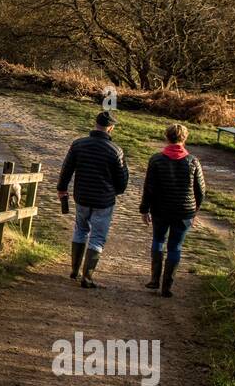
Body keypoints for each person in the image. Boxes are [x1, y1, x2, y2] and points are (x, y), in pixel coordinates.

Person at [57, 111, 129, 288]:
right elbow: (122, 180)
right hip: (104, 200)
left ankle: (74, 269)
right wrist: (114, 192)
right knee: (97, 237)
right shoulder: (116, 151)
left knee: (80, 230)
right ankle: (87, 276)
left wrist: (62, 188)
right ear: (110, 128)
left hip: (82, 196)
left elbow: (67, 169)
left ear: (95, 124)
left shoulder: (78, 145)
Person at [139, 123, 205, 297]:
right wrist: (195, 210)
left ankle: (154, 279)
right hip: (184, 211)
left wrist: (144, 209)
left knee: (158, 241)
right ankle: (167, 286)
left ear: (166, 137)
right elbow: (200, 190)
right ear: (184, 138)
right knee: (175, 246)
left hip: (160, 209)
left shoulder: (156, 160)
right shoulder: (193, 161)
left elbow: (149, 188)